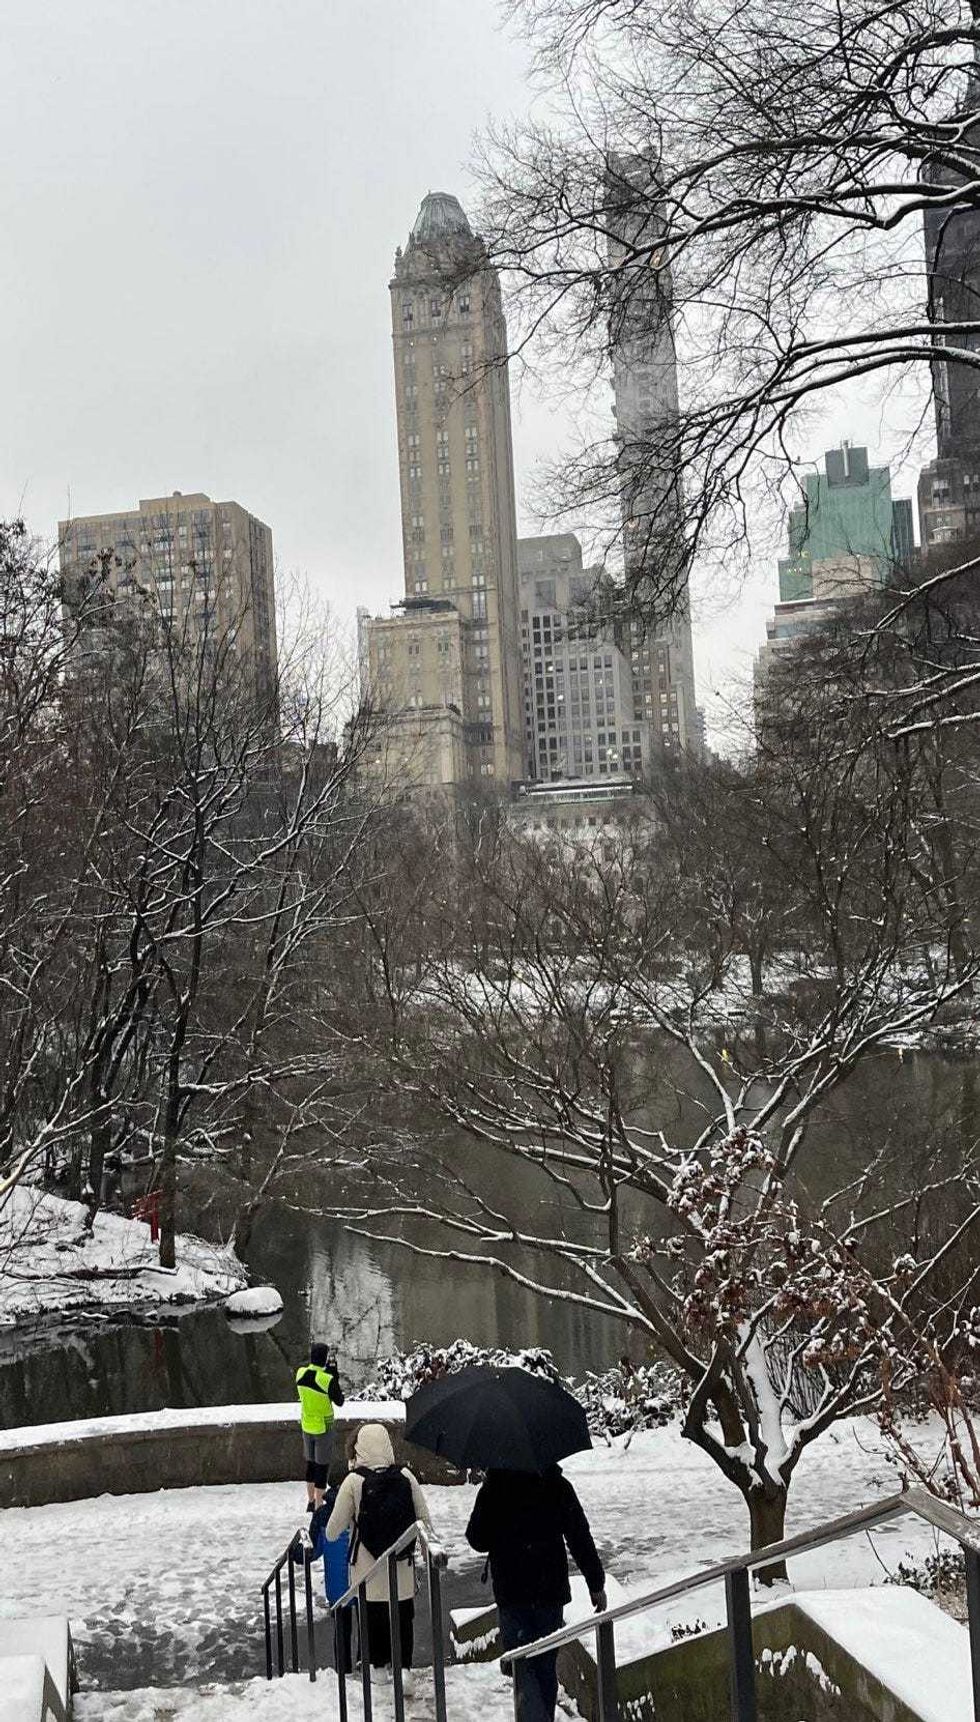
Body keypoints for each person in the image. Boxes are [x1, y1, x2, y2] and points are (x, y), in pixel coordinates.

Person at [466, 1466, 606, 1722]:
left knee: (523, 1666)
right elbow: (579, 1536)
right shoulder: (557, 1485)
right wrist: (595, 1583)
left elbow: (476, 1539)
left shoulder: (495, 1487)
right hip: (549, 1592)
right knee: (544, 1665)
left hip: (512, 1593)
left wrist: (492, 1498)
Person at [326, 1422, 433, 1681]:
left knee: (373, 1621)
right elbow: (424, 1521)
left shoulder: (354, 1482)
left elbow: (331, 1532)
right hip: (402, 1567)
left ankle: (377, 1669)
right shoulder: (406, 1476)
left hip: (368, 1571)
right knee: (402, 1619)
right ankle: (404, 1669)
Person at [310, 1482, 354, 1674]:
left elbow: (313, 1550)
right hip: (363, 1578)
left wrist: (295, 1553)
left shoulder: (323, 1515)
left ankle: (343, 1671)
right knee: (367, 1628)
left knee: (342, 1631)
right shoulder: (360, 1507)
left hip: (336, 1587)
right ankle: (366, 1665)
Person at [296, 1342, 344, 1512]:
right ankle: (319, 1505)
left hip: (307, 1425)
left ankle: (310, 1500)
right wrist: (334, 1375)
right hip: (324, 1427)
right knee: (322, 1466)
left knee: (310, 1464)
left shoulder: (300, 1374)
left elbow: (312, 1381)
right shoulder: (327, 1379)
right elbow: (339, 1401)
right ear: (325, 1358)